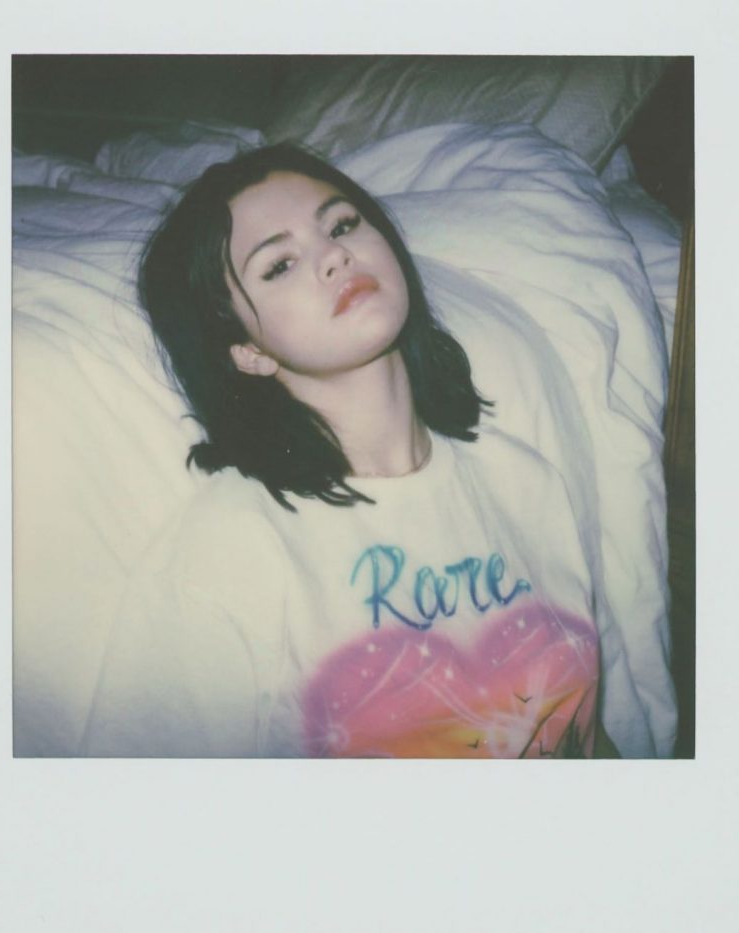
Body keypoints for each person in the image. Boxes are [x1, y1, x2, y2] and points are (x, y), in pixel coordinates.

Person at [82, 144, 605, 758]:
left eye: (342, 224)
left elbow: (588, 739)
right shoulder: (230, 546)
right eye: (279, 264)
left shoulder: (525, 480)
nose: (335, 255)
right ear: (247, 350)